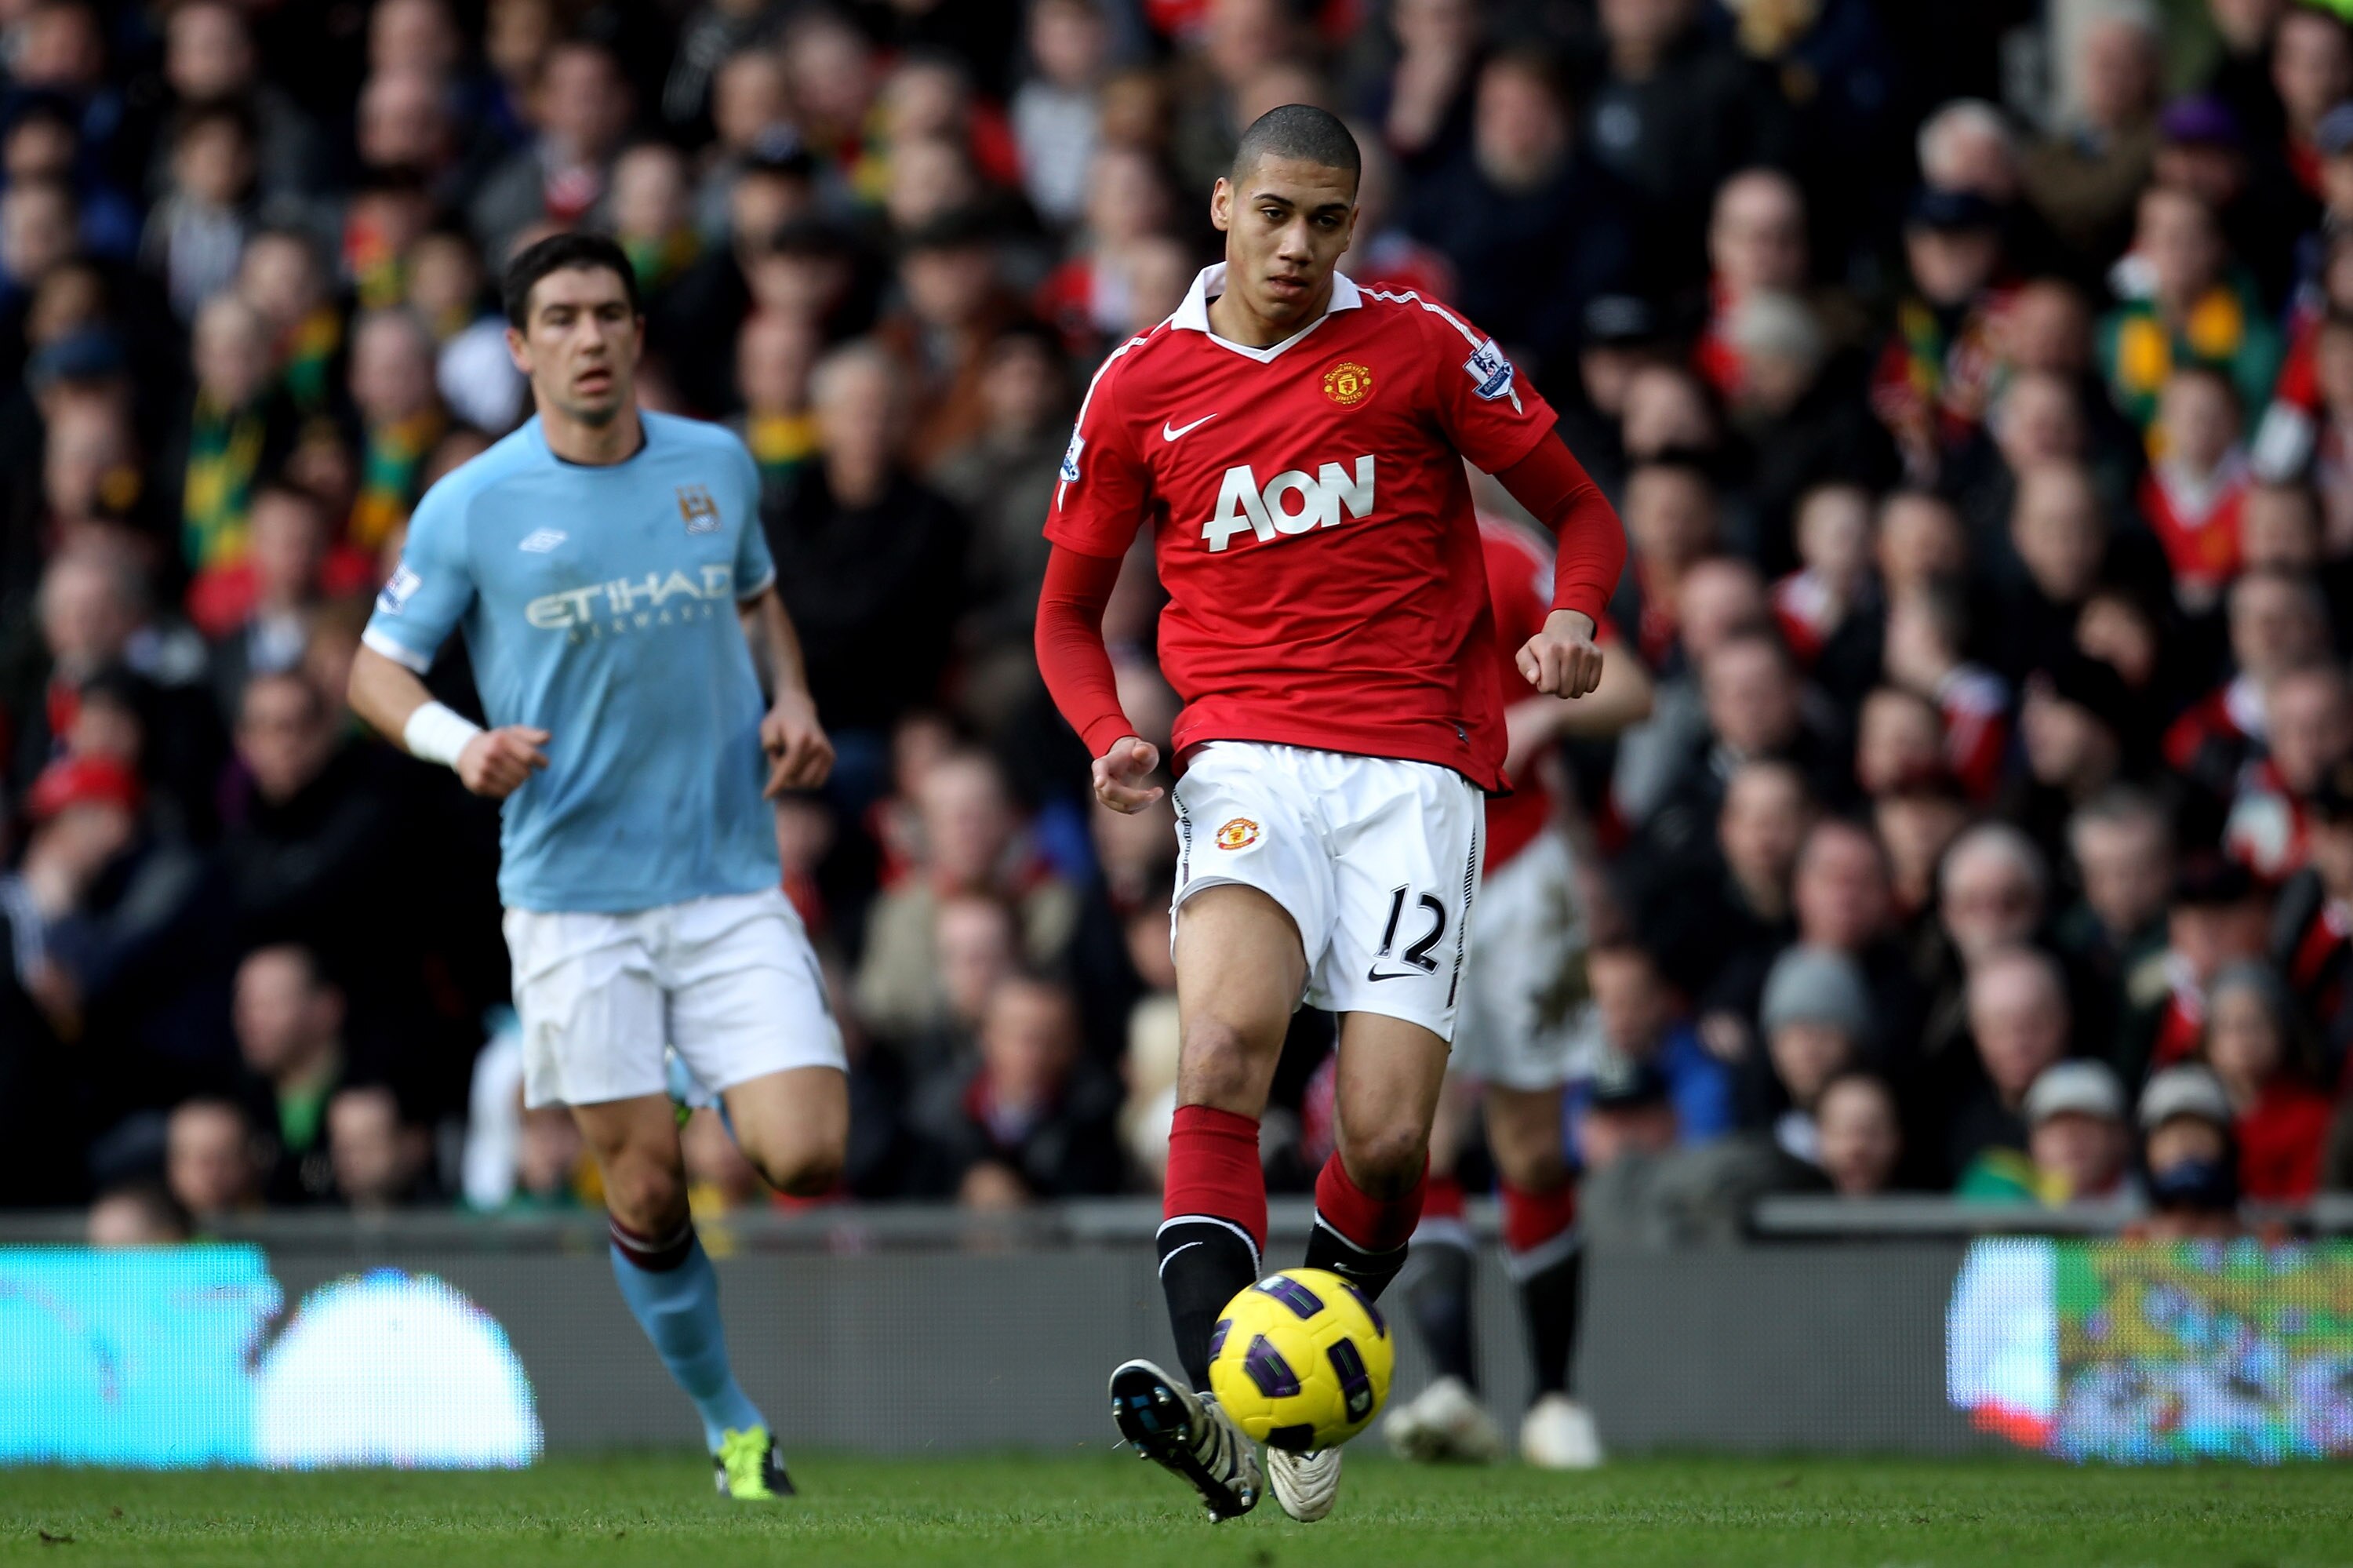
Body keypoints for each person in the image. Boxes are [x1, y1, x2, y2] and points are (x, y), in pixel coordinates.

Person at [1035, 106, 1624, 1523]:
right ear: (1224, 207)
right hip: (1242, 757)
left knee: (1384, 1141)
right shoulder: (1137, 386)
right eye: (1277, 213)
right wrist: (1113, 736)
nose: (1299, 245)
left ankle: (1309, 1375)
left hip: (1418, 773)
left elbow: (1583, 512)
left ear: (1351, 227)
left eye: (1328, 220)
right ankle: (1232, 1404)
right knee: (1226, 1039)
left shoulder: (1421, 346)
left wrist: (1572, 619)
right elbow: (1063, 617)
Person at [346, 232, 845, 1502]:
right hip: (572, 896)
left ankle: (691, 1070)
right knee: (648, 1191)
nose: (588, 337)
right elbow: (371, 669)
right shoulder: (472, 501)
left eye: (608, 313)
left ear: (635, 334)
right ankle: (732, 1423)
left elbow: (754, 592)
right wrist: (462, 743)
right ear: (519, 346)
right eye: (560, 317)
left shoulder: (715, 463)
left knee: (805, 1151)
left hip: (726, 874)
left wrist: (790, 694)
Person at [1384, 511, 1651, 1474]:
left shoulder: (1502, 555)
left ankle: (1553, 1398)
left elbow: (1628, 687)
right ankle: (1454, 1386)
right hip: (1398, 872)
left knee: (1532, 1145)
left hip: (1519, 870)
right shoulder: (1335, 544)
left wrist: (1546, 710)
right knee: (1409, 1134)